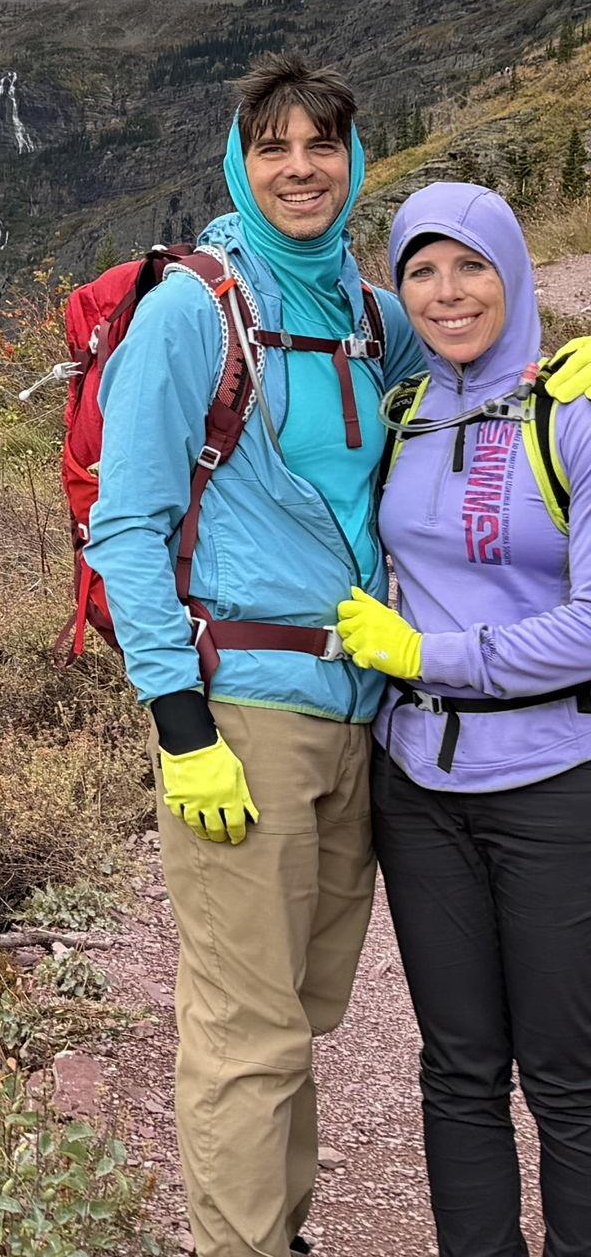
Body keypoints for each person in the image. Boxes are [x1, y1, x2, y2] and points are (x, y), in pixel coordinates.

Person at [88, 55, 424, 1257]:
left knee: (300, 1009)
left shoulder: (368, 313)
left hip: (357, 714)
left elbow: (448, 432)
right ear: (238, 159)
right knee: (244, 1025)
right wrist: (180, 728)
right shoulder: (192, 307)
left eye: (320, 145)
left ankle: (273, 1230)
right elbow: (123, 523)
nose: (298, 167)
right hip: (241, 709)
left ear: (351, 162)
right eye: (271, 145)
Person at [336, 181, 591, 1257]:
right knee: (456, 1066)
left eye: (469, 264)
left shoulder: (569, 410)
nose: (445, 293)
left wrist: (427, 655)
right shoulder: (407, 409)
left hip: (550, 780)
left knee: (569, 1072)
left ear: (512, 271)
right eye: (419, 270)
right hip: (419, 787)